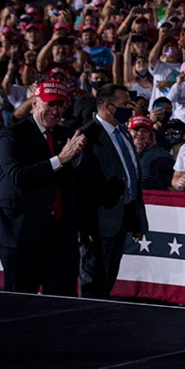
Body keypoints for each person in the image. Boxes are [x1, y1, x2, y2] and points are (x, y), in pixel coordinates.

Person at [0, 80, 88, 295]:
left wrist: (76, 160)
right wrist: (60, 159)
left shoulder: (66, 135)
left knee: (62, 305)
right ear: (34, 103)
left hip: (61, 236)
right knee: (19, 306)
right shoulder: (12, 135)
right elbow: (18, 176)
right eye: (50, 104)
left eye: (61, 105)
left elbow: (72, 183)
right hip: (21, 234)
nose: (56, 111)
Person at [77, 83, 149, 299]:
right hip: (97, 224)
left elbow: (132, 176)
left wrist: (137, 218)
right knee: (93, 280)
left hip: (121, 218)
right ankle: (85, 324)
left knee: (108, 277)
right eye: (125, 103)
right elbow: (79, 184)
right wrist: (82, 224)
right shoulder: (87, 135)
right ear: (108, 107)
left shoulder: (123, 133)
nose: (131, 107)